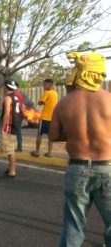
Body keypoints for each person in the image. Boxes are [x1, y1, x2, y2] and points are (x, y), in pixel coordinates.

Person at [49, 51, 111, 247]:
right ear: (96, 74)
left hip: (77, 169)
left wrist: (76, 134)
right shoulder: (109, 100)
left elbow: (53, 136)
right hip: (107, 169)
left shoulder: (63, 103)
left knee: (73, 225)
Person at [30, 78, 58, 157]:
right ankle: (49, 152)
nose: (43, 86)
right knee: (50, 136)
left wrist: (41, 101)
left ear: (50, 85)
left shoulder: (47, 92)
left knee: (39, 134)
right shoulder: (55, 93)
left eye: (45, 85)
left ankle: (37, 151)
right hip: (52, 118)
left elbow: (40, 102)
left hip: (45, 117)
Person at [0, 79, 21, 178]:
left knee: (10, 150)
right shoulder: (16, 97)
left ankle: (12, 171)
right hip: (15, 125)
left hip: (9, 126)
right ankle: (10, 168)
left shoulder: (8, 98)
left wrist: (2, 127)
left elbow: (7, 114)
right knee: (10, 149)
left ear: (5, 87)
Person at [13, 82, 26, 152]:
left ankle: (19, 147)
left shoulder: (15, 95)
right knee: (17, 131)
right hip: (18, 115)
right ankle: (19, 146)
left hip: (16, 116)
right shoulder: (19, 94)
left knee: (17, 131)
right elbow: (22, 104)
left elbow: (20, 105)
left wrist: (23, 113)